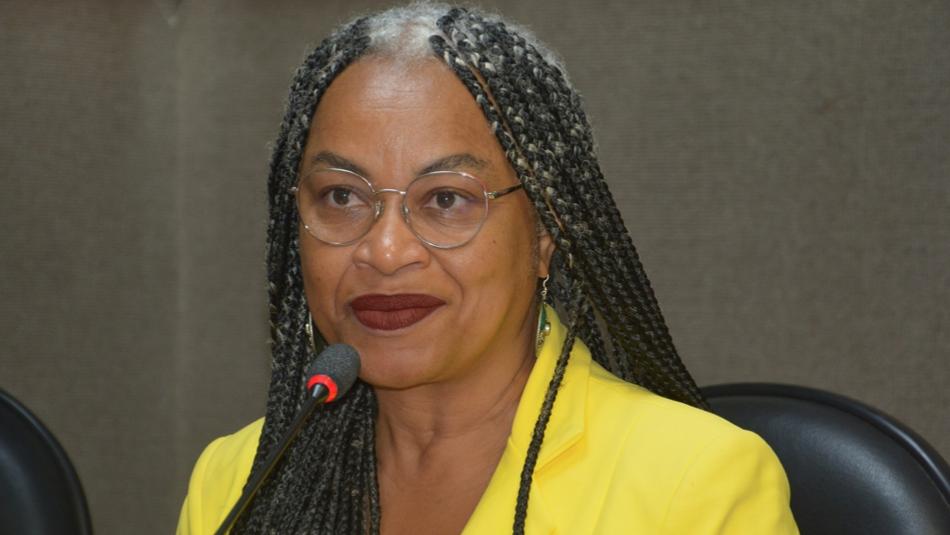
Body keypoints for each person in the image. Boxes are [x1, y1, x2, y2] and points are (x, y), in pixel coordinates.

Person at [177, 3, 798, 534]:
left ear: (546, 233)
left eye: (446, 199)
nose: (385, 251)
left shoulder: (695, 483)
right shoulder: (238, 482)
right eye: (342, 196)